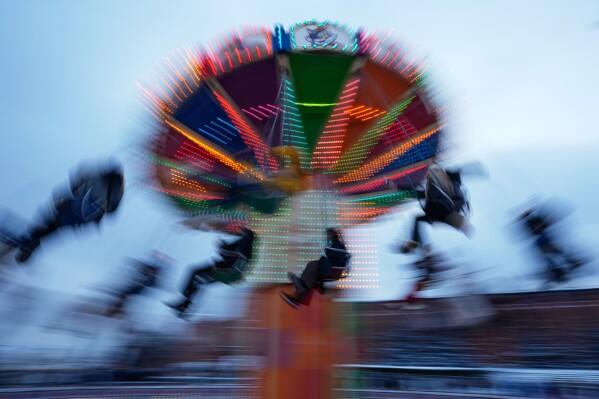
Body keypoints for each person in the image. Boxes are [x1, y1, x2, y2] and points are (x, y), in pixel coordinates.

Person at [14, 164, 124, 263]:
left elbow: (79, 176)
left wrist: (74, 191)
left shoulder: (98, 176)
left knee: (52, 220)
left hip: (73, 208)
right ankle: (32, 242)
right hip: (83, 218)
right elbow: (111, 213)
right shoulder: (117, 193)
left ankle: (31, 241)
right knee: (57, 226)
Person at [166, 227, 255, 317]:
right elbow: (233, 253)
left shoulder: (242, 242)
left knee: (193, 271)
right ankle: (184, 306)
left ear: (246, 234)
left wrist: (221, 244)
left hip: (222, 268)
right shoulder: (249, 248)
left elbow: (227, 250)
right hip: (228, 273)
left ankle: (184, 298)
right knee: (199, 282)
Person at [401, 164, 472, 254]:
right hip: (437, 211)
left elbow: (454, 180)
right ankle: (417, 243)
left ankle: (416, 243)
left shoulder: (443, 180)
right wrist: (403, 189)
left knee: (425, 217)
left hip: (445, 207)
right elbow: (420, 194)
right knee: (418, 219)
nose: (427, 177)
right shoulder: (431, 186)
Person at [280, 228, 351, 308]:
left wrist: (326, 251)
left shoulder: (337, 245)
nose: (328, 236)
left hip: (330, 271)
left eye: (329, 234)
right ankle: (298, 299)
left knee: (312, 266)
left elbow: (332, 257)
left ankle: (301, 289)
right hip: (329, 270)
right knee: (312, 278)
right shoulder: (336, 245)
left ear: (333, 235)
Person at [517, 207, 584, 285]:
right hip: (541, 240)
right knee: (548, 255)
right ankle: (559, 272)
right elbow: (530, 232)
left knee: (555, 252)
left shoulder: (537, 218)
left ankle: (570, 264)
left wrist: (540, 226)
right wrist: (535, 229)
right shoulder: (527, 223)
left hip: (545, 238)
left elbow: (546, 223)